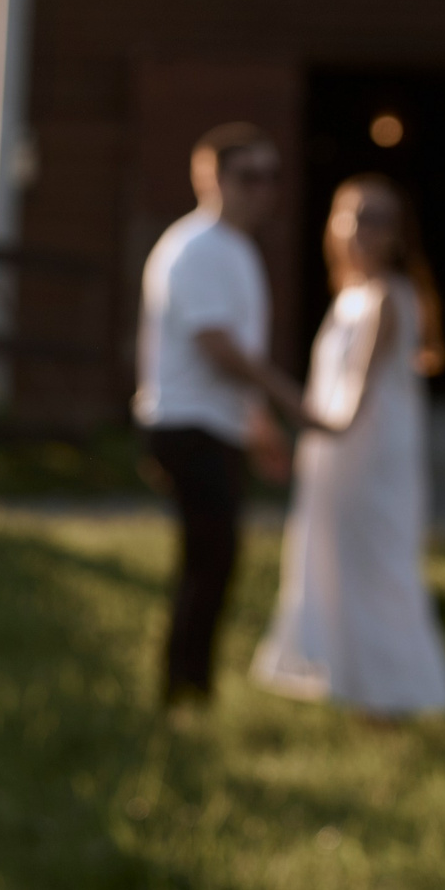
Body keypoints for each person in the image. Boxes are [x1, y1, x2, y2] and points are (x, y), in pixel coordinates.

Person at [253, 174, 445, 718]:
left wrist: (272, 394)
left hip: (371, 456)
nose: (363, 229)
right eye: (354, 215)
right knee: (336, 563)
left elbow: (353, 402)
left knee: (377, 566)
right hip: (337, 454)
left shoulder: (389, 297)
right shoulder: (351, 294)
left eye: (378, 219)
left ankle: (392, 694)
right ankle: (352, 683)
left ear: (398, 234)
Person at [135, 123, 309, 706]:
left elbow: (234, 354)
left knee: (214, 561)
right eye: (249, 175)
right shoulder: (198, 246)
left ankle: (190, 689)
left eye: (271, 176)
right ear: (209, 177)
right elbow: (219, 347)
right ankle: (182, 692)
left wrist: (260, 427)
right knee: (208, 561)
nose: (264, 189)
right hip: (188, 426)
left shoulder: (235, 248)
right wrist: (290, 400)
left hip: (215, 425)